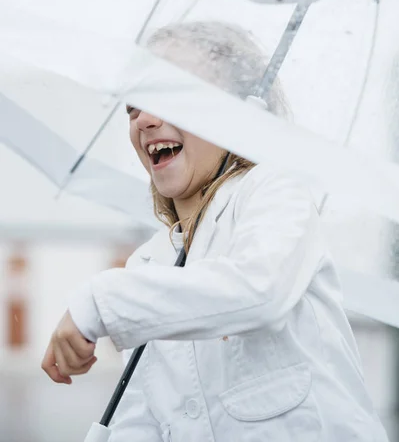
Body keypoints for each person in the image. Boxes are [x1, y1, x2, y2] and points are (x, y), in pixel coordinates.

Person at [42, 22, 388, 442]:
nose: (144, 119)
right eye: (132, 105)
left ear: (236, 112)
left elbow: (257, 288)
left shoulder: (275, 193)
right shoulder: (148, 264)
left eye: (170, 94)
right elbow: (144, 418)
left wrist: (100, 301)